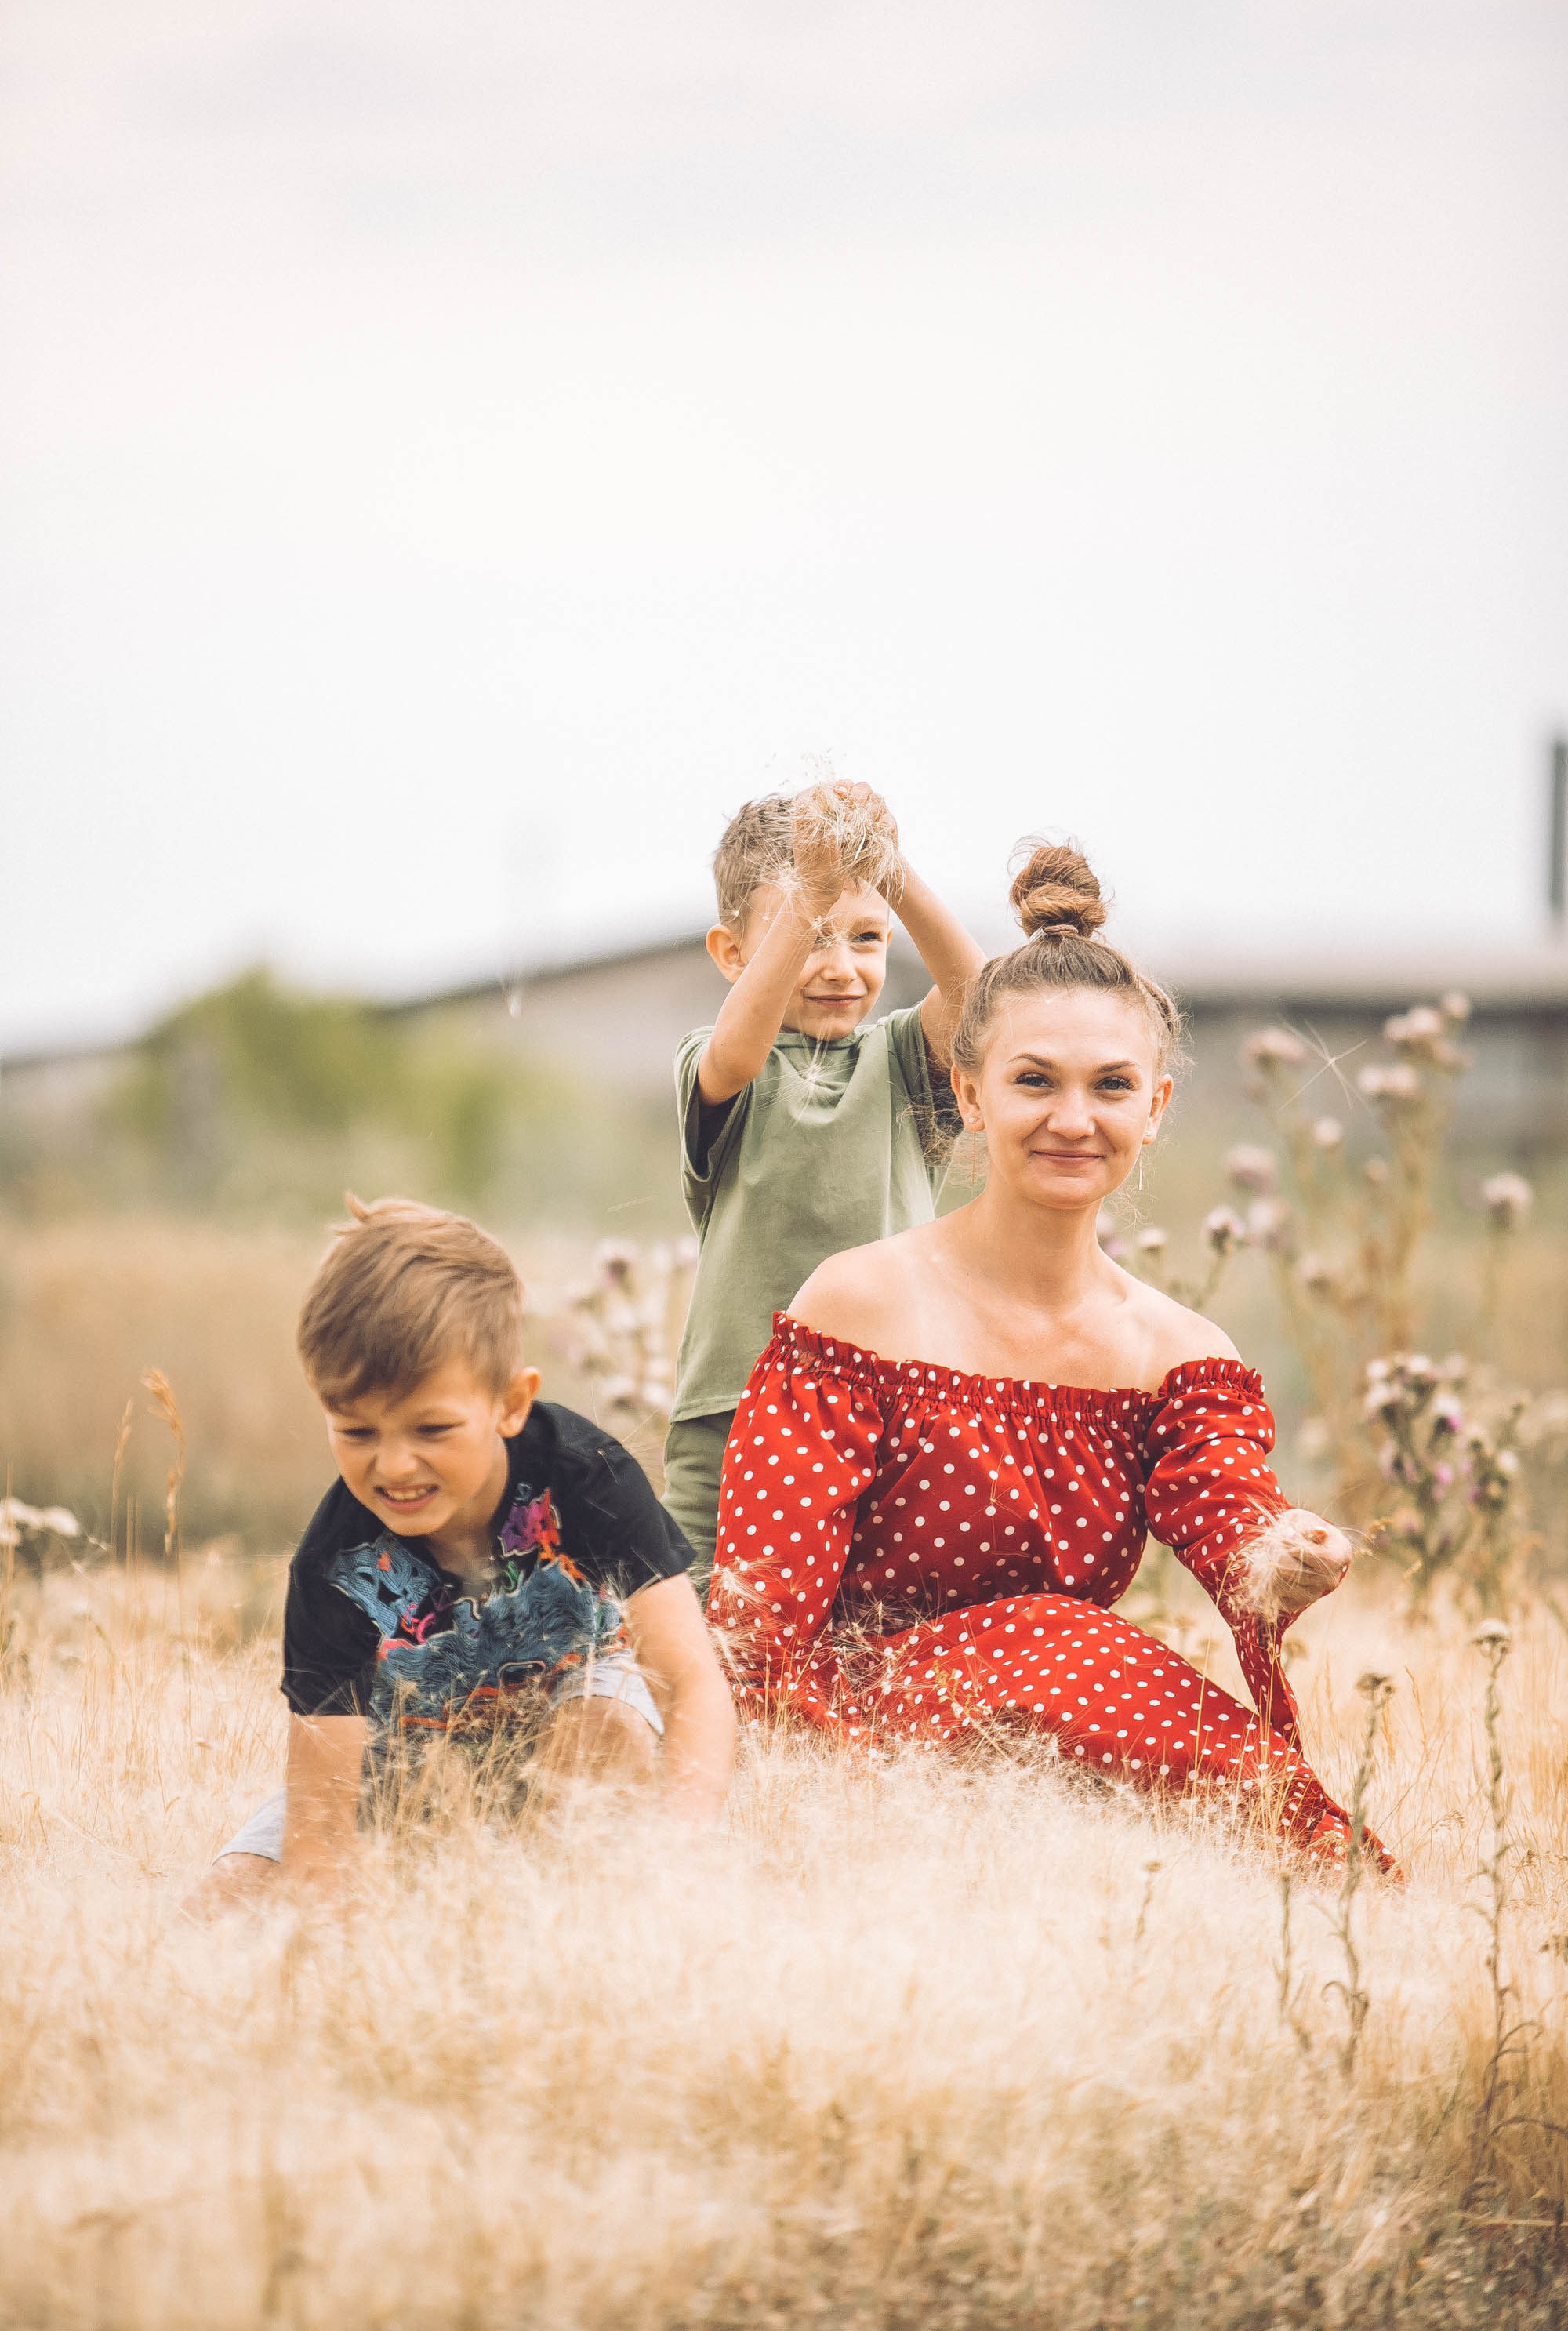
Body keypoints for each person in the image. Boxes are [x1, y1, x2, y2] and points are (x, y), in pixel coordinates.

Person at [706, 843, 1395, 1874]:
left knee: (1111, 1696)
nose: (1073, 1119)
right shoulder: (858, 1304)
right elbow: (761, 1614)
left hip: (1059, 1739)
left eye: (1111, 1087)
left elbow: (1229, 1512)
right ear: (971, 1093)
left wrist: (1282, 1551)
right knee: (1057, 1639)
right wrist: (785, 1794)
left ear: (1153, 1110)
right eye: (1035, 1081)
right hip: (843, 1732)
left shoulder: (1179, 1353)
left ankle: (1332, 1892)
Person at [193, 1197, 735, 1914]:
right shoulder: (334, 1567)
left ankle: (572, 1923)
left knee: (597, 1732)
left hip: (576, 1706)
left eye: (431, 1427)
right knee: (222, 1906)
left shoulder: (584, 1473)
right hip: (408, 1757)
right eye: (356, 1432)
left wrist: (681, 1855)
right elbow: (322, 1833)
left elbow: (693, 1683)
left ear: (511, 1404)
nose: (394, 1466)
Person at [663, 779, 985, 1588]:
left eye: (866, 938)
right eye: (809, 936)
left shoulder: (904, 1060)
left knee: (869, 1632)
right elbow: (734, 1053)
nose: (841, 967)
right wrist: (811, 887)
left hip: (893, 1407)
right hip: (732, 1405)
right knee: (711, 1625)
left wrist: (893, 869)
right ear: (732, 954)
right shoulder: (719, 1059)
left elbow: (983, 1001)